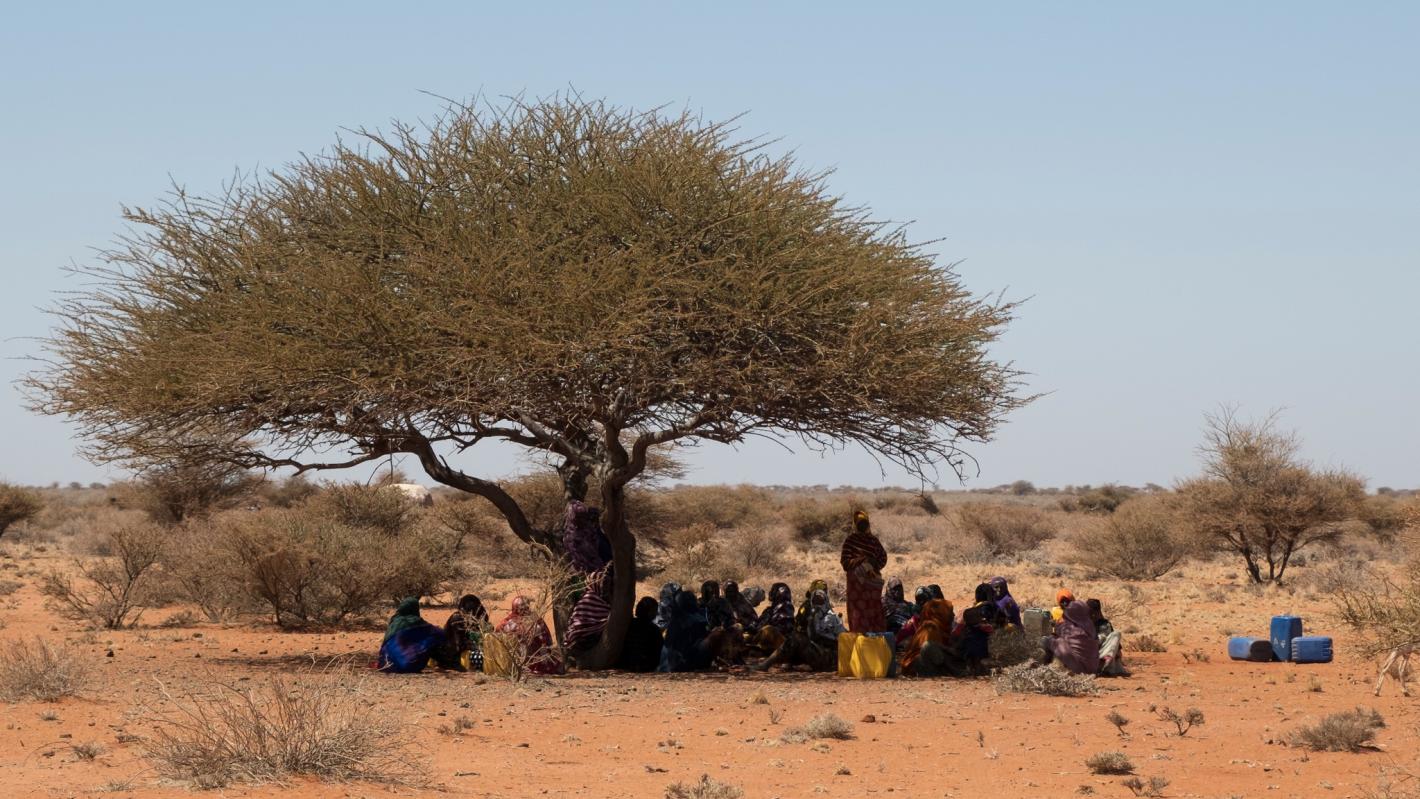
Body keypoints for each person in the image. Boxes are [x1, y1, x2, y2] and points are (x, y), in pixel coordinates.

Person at [756, 589, 843, 672]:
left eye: (820, 601)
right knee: (795, 640)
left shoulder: (832, 618)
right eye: (815, 601)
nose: (818, 605)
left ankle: (766, 664)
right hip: (816, 651)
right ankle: (776, 663)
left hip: (828, 657)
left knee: (797, 639)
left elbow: (842, 638)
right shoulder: (812, 617)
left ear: (826, 602)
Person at [840, 510, 888, 633]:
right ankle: (864, 639)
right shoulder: (852, 541)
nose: (862, 526)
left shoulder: (871, 541)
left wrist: (872, 565)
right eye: (860, 523)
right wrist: (864, 562)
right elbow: (845, 563)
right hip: (859, 587)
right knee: (861, 613)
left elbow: (883, 558)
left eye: (864, 523)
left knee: (868, 612)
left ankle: (870, 639)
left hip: (867, 586)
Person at [378, 597, 446, 673]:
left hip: (384, 665)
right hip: (409, 666)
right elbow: (439, 633)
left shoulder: (394, 621)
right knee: (432, 639)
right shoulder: (416, 621)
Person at [497, 596, 562, 675]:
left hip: (537, 652)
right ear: (515, 608)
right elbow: (499, 631)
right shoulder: (510, 620)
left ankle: (536, 664)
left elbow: (544, 634)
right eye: (520, 608)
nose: (523, 610)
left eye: (525, 608)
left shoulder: (535, 618)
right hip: (517, 652)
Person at [901, 599, 963, 677]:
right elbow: (934, 654)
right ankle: (956, 672)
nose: (953, 615)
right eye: (950, 612)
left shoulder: (941, 628)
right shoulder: (931, 629)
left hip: (928, 664)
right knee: (929, 646)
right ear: (940, 614)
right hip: (921, 666)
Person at [1041, 600, 1099, 675]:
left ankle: (1045, 665)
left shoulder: (1067, 626)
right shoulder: (1090, 626)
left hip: (1079, 668)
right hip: (1093, 667)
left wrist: (1056, 625)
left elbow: (1057, 632)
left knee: (1049, 640)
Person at [564, 567, 612, 653]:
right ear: (596, 585)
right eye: (602, 586)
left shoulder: (598, 601)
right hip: (582, 639)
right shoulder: (590, 600)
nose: (605, 590)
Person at [661, 591, 712, 672]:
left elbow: (668, 643)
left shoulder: (677, 621)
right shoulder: (696, 619)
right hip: (685, 661)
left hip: (684, 661)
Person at [957, 584, 1000, 676]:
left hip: (975, 642)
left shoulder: (982, 608)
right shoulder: (993, 607)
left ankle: (973, 667)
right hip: (988, 642)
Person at [439, 594, 489, 671]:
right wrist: (477, 646)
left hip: (467, 649)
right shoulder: (457, 619)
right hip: (454, 654)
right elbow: (458, 645)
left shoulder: (478, 618)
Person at [618, 596, 665, 673]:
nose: (656, 613)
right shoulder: (653, 629)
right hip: (645, 666)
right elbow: (660, 650)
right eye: (654, 610)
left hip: (625, 663)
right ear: (649, 612)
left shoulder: (628, 624)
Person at [1087, 598, 1129, 677]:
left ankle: (1107, 666)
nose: (1093, 615)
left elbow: (1117, 650)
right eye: (1090, 612)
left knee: (1116, 634)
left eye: (1094, 612)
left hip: (1103, 655)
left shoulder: (1105, 624)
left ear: (1098, 611)